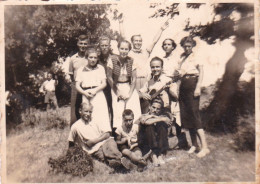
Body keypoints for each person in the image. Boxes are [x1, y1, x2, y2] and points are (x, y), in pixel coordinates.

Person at [68, 102, 136, 170]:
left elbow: (107, 134)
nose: (88, 114)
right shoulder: (75, 126)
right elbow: (71, 142)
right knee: (105, 158)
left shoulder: (95, 120)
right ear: (80, 111)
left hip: (106, 142)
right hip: (94, 150)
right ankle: (121, 163)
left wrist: (94, 141)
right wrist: (70, 156)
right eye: (86, 111)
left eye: (90, 112)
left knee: (111, 148)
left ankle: (121, 160)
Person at [178, 36, 210, 157]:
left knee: (194, 115)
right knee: (187, 116)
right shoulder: (181, 57)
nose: (187, 48)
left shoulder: (197, 56)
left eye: (189, 46)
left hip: (193, 84)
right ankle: (194, 144)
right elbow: (180, 73)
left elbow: (201, 72)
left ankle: (205, 147)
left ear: (192, 46)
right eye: (185, 46)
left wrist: (198, 87)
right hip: (183, 85)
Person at [106, 40, 141, 129]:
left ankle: (135, 131)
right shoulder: (112, 59)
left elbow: (134, 79)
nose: (124, 51)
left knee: (133, 106)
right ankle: (119, 133)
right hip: (116, 87)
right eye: (122, 48)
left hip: (129, 87)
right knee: (118, 109)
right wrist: (117, 93)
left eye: (126, 49)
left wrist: (129, 94)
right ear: (118, 49)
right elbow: (109, 77)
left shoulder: (131, 60)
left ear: (129, 50)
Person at [75, 48, 110, 129]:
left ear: (97, 58)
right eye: (91, 57)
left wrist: (95, 90)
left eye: (95, 57)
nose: (93, 59)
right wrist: (84, 93)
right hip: (86, 95)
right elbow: (77, 85)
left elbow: (104, 83)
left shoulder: (100, 68)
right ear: (87, 58)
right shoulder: (81, 70)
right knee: (87, 115)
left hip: (98, 94)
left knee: (100, 116)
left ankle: (102, 135)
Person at [135, 98, 172, 167]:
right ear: (149, 107)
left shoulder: (164, 115)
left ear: (161, 110)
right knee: (149, 127)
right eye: (153, 107)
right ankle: (154, 155)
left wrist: (156, 118)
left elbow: (168, 121)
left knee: (162, 126)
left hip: (158, 143)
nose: (155, 110)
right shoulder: (143, 115)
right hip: (145, 143)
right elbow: (145, 121)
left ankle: (159, 154)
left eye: (158, 109)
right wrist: (158, 118)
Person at [65, 35, 89, 126]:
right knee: (75, 109)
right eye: (81, 43)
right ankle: (75, 131)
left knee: (88, 108)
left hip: (88, 86)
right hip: (76, 86)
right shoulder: (73, 58)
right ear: (78, 44)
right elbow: (71, 75)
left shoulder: (90, 57)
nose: (83, 46)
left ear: (88, 45)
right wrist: (75, 85)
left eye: (85, 44)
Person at [98, 36, 114, 128]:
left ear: (109, 46)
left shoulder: (114, 57)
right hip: (101, 88)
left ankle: (113, 130)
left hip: (112, 87)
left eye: (106, 45)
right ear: (99, 46)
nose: (104, 47)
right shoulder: (96, 59)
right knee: (102, 110)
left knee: (113, 109)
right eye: (102, 45)